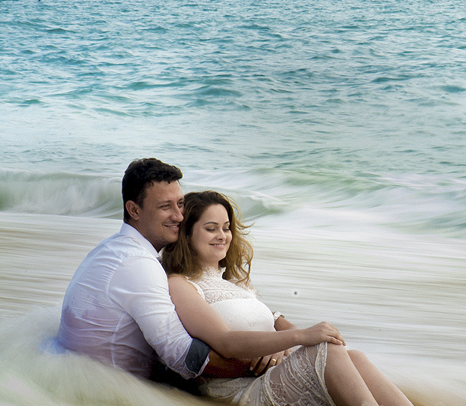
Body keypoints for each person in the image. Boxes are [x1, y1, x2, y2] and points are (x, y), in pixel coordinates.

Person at [58, 158, 341, 392]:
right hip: (111, 390)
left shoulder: (111, 249)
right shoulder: (140, 266)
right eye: (165, 207)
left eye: (180, 204)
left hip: (81, 374)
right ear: (134, 210)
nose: (179, 217)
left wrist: (274, 341)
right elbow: (182, 355)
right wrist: (263, 362)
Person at [162, 190, 427, 406]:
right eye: (211, 228)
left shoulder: (237, 285)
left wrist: (281, 345)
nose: (223, 236)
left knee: (352, 355)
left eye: (226, 227)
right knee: (328, 351)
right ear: (187, 234)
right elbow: (226, 341)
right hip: (239, 391)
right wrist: (298, 337)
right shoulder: (181, 284)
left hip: (271, 373)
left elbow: (275, 324)